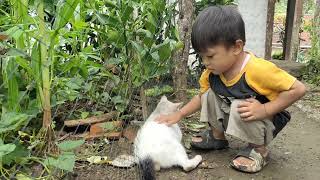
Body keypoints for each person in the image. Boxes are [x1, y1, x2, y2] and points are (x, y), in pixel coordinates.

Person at [156, 5, 306, 173]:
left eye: (210, 56)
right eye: (202, 56)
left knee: (239, 105)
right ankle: (217, 137)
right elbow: (200, 98)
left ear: (236, 47)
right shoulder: (212, 73)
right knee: (208, 95)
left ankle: (259, 150)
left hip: (266, 121)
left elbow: (298, 89)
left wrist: (264, 109)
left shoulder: (258, 69)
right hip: (241, 112)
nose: (205, 62)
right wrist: (180, 114)